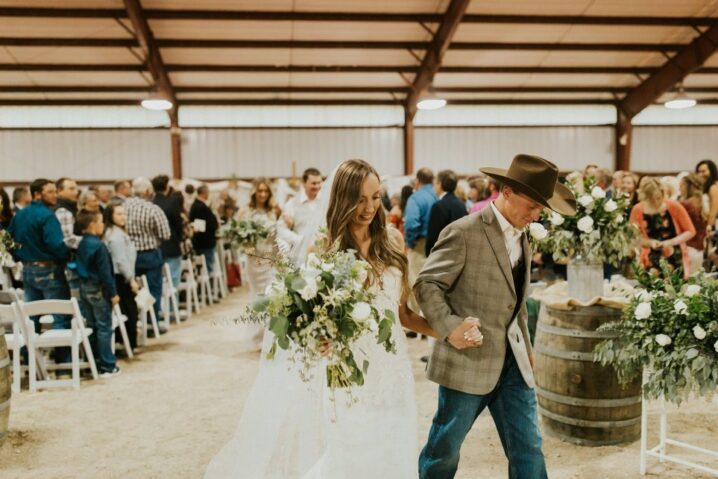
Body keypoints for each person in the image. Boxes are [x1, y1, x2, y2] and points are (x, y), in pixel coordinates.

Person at [205, 160, 479, 479]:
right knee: (350, 453)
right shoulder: (322, 248)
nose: (368, 208)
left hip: (391, 370)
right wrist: (317, 337)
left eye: (375, 197)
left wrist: (448, 331)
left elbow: (402, 314)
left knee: (392, 448)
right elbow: (305, 314)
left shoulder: (391, 242)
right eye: (359, 199)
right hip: (347, 373)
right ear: (342, 199)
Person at [416, 154, 576, 479]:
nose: (536, 215)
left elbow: (514, 302)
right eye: (532, 206)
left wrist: (527, 348)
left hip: (514, 363)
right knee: (444, 450)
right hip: (468, 360)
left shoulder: (524, 234)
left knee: (528, 448)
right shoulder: (463, 232)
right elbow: (426, 283)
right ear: (505, 191)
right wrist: (450, 328)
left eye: (541, 209)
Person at [7, 179, 71, 362]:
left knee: (31, 317)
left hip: (27, 269)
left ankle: (30, 361)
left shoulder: (19, 215)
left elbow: (8, 241)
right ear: (37, 194)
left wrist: (19, 256)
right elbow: (55, 244)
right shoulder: (47, 216)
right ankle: (64, 364)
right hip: (48, 268)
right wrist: (66, 256)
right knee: (60, 315)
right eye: (50, 192)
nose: (55, 195)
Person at [75, 209, 121, 377]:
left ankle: (93, 362)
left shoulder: (82, 243)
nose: (103, 225)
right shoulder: (99, 245)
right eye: (101, 222)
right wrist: (113, 293)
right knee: (104, 327)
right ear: (92, 225)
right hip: (98, 288)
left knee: (92, 326)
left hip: (84, 286)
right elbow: (105, 273)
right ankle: (107, 365)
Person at [237, 178, 280, 349]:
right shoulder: (245, 212)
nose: (262, 194)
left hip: (269, 259)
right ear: (254, 192)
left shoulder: (272, 212)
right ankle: (256, 337)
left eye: (266, 191)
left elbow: (275, 238)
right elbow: (239, 238)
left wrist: (275, 258)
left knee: (272, 297)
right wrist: (253, 254)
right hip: (254, 261)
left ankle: (269, 336)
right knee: (257, 296)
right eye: (260, 191)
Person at [124, 177, 171, 327]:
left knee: (132, 289)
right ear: (147, 192)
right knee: (153, 289)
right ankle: (151, 322)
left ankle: (135, 321)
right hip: (149, 254)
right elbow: (165, 234)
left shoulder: (122, 207)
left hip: (128, 255)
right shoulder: (152, 209)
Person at [630, 177, 696, 278]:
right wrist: (650, 243)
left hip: (675, 255)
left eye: (659, 198)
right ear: (645, 197)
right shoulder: (637, 209)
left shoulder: (673, 206)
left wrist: (670, 242)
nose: (657, 202)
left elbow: (690, 231)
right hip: (651, 258)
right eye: (653, 199)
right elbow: (633, 238)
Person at [104, 203, 140, 350]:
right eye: (118, 214)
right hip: (121, 277)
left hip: (123, 275)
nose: (122, 217)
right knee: (129, 311)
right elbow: (120, 260)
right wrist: (131, 280)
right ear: (110, 216)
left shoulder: (118, 232)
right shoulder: (115, 236)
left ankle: (127, 341)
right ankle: (129, 343)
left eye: (123, 213)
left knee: (128, 310)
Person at [403, 168, 438, 313]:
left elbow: (411, 223)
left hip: (420, 244)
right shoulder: (437, 196)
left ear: (417, 180)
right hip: (437, 244)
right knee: (432, 283)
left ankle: (418, 322)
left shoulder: (416, 198)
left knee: (415, 281)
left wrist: (409, 242)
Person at [277, 167, 323, 264]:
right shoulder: (292, 203)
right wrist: (299, 240)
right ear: (304, 183)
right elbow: (281, 229)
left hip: (322, 252)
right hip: (300, 254)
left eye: (319, 183)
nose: (317, 186)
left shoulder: (325, 202)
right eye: (314, 183)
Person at [152, 174, 184, 293]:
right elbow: (178, 224)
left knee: (159, 279)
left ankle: (161, 308)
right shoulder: (172, 203)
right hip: (171, 245)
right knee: (173, 278)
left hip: (155, 246)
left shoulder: (151, 203)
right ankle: (171, 307)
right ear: (166, 187)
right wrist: (180, 239)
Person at [425, 170, 468, 256]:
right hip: (459, 251)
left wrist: (429, 254)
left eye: (435, 183)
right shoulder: (461, 204)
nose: (434, 187)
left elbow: (433, 235)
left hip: (443, 253)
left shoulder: (438, 206)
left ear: (440, 184)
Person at [679, 173, 707, 275]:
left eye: (681, 185)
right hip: (699, 251)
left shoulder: (685, 205)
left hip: (687, 248)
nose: (679, 188)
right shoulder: (701, 203)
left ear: (687, 186)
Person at [190, 184, 219, 275]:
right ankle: (208, 288)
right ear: (204, 193)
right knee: (207, 266)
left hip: (200, 241)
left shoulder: (195, 205)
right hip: (205, 242)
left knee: (203, 266)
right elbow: (209, 225)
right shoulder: (201, 207)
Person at [696, 159, 718, 232]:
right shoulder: (704, 188)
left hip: (712, 227)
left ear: (711, 172)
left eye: (703, 171)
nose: (700, 174)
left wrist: (710, 226)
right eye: (698, 172)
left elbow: (713, 211)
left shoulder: (713, 187)